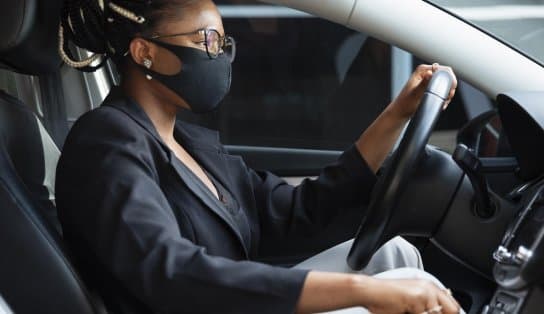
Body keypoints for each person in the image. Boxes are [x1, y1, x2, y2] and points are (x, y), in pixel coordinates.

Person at [55, 0, 460, 313]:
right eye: (206, 42)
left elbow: (297, 212)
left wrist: (398, 114)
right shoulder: (106, 142)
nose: (221, 57)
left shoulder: (191, 144)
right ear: (145, 52)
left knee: (395, 253)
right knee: (402, 280)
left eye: (223, 43)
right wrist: (366, 292)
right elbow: (170, 272)